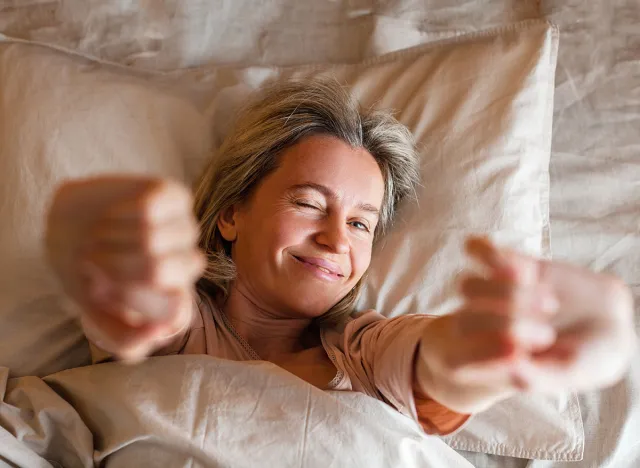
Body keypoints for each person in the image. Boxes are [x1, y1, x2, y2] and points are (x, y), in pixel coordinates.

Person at [45, 78, 637, 436]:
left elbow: (443, 362)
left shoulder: (362, 351)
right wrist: (124, 267)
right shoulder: (186, 330)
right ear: (231, 214)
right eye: (308, 203)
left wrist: (509, 342)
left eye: (361, 223)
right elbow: (147, 305)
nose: (337, 239)